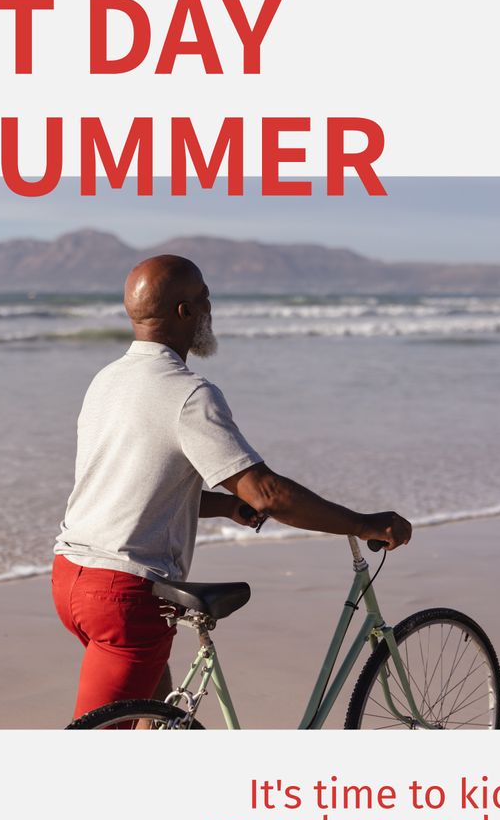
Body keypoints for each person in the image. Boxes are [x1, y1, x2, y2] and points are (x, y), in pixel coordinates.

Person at [53, 254, 412, 720]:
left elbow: (128, 487)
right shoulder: (187, 393)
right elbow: (267, 493)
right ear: (186, 312)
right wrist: (364, 522)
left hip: (69, 579)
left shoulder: (106, 381)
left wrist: (222, 506)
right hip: (124, 596)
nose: (210, 307)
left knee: (151, 722)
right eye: (205, 297)